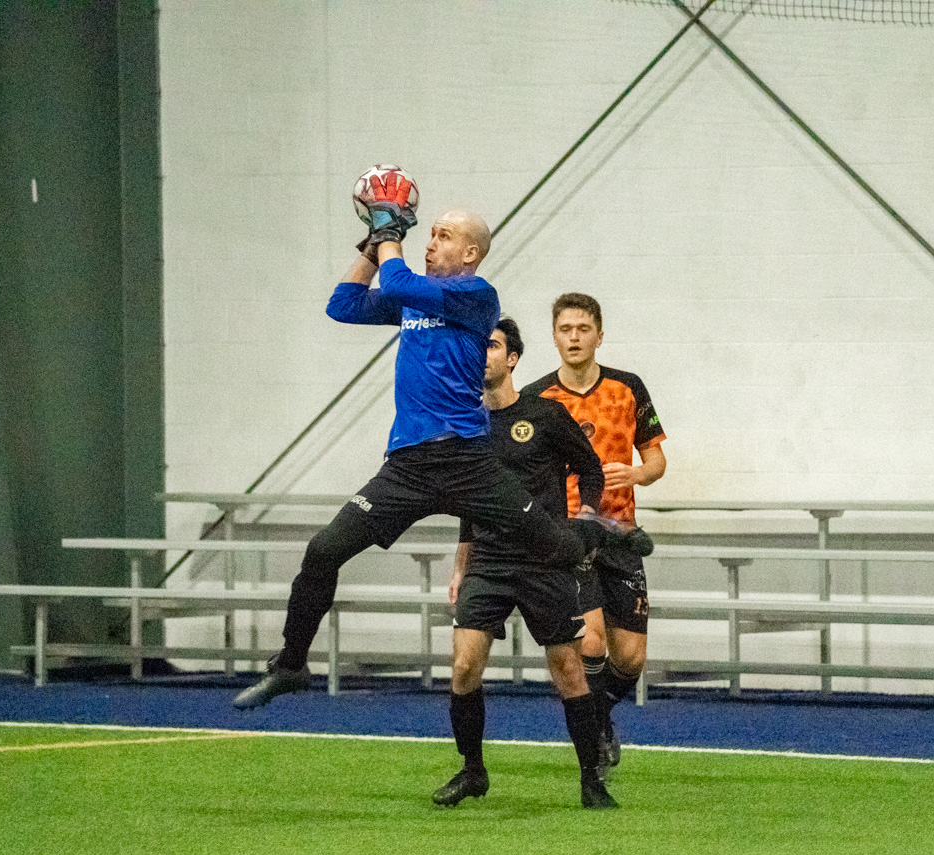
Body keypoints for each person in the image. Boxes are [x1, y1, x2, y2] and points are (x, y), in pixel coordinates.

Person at [234, 183, 646, 711]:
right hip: (407, 466)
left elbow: (400, 276)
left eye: (443, 235)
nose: (429, 242)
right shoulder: (413, 299)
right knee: (324, 550)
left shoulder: (477, 297)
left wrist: (390, 235)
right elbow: (343, 304)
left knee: (557, 544)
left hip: (465, 461)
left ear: (470, 253)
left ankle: (605, 538)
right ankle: (291, 665)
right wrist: (371, 243)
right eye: (427, 233)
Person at [437, 317, 616, 809]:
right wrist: (460, 567)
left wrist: (585, 522)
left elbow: (591, 470)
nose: (482, 355)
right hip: (489, 562)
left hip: (543, 562)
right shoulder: (466, 425)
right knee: (463, 666)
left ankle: (591, 781)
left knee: (568, 670)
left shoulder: (546, 415)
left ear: (512, 358)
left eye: (491, 346)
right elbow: (471, 505)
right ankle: (473, 772)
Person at [525, 293, 667, 774]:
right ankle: (595, 738)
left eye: (583, 329)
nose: (574, 337)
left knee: (631, 659)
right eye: (565, 329)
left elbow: (656, 460)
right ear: (554, 336)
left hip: (621, 535)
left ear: (599, 335)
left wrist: (639, 475)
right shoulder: (537, 399)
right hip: (568, 537)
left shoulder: (628, 388)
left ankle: (597, 714)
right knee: (591, 643)